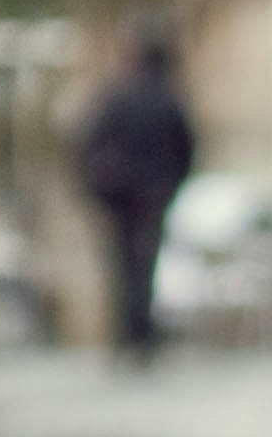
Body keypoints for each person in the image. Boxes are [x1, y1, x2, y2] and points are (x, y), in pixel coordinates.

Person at [72, 23, 198, 360]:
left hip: (119, 194)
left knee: (123, 263)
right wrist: (173, 185)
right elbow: (187, 148)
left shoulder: (115, 98)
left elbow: (86, 144)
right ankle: (140, 334)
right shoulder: (168, 100)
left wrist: (94, 186)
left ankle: (129, 333)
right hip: (153, 194)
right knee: (144, 264)